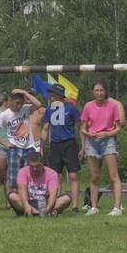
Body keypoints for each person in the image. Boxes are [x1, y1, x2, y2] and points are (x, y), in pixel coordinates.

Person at [80, 80, 126, 216]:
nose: (99, 93)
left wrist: (107, 133)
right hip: (92, 142)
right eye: (96, 91)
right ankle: (93, 207)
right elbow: (82, 127)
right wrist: (88, 133)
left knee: (113, 176)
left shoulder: (113, 106)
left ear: (105, 92)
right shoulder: (88, 106)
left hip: (108, 141)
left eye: (101, 90)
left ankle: (117, 208)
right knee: (94, 177)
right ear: (93, 92)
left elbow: (119, 127)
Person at [0, 88, 45, 200]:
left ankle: (30, 199)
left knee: (29, 175)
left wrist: (25, 93)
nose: (19, 105)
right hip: (14, 147)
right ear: (10, 101)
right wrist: (4, 142)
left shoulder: (26, 109)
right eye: (17, 103)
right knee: (14, 177)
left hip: (29, 147)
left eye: (21, 103)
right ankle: (14, 201)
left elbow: (39, 105)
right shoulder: (5, 115)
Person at [41, 83, 81, 214]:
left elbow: (81, 127)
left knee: (73, 175)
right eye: (50, 93)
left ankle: (75, 206)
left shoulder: (71, 108)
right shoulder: (49, 109)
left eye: (53, 93)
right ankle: (56, 204)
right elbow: (45, 128)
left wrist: (84, 146)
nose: (51, 96)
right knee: (56, 176)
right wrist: (41, 146)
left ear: (60, 95)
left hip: (69, 144)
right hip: (55, 145)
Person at [9, 151, 69, 217]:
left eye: (37, 166)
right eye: (32, 166)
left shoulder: (52, 173)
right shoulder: (22, 172)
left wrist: (48, 209)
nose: (34, 169)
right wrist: (26, 205)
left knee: (66, 198)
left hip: (46, 202)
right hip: (29, 201)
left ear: (42, 163)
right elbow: (22, 190)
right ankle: (37, 213)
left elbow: (53, 194)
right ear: (28, 164)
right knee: (12, 196)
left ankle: (38, 213)